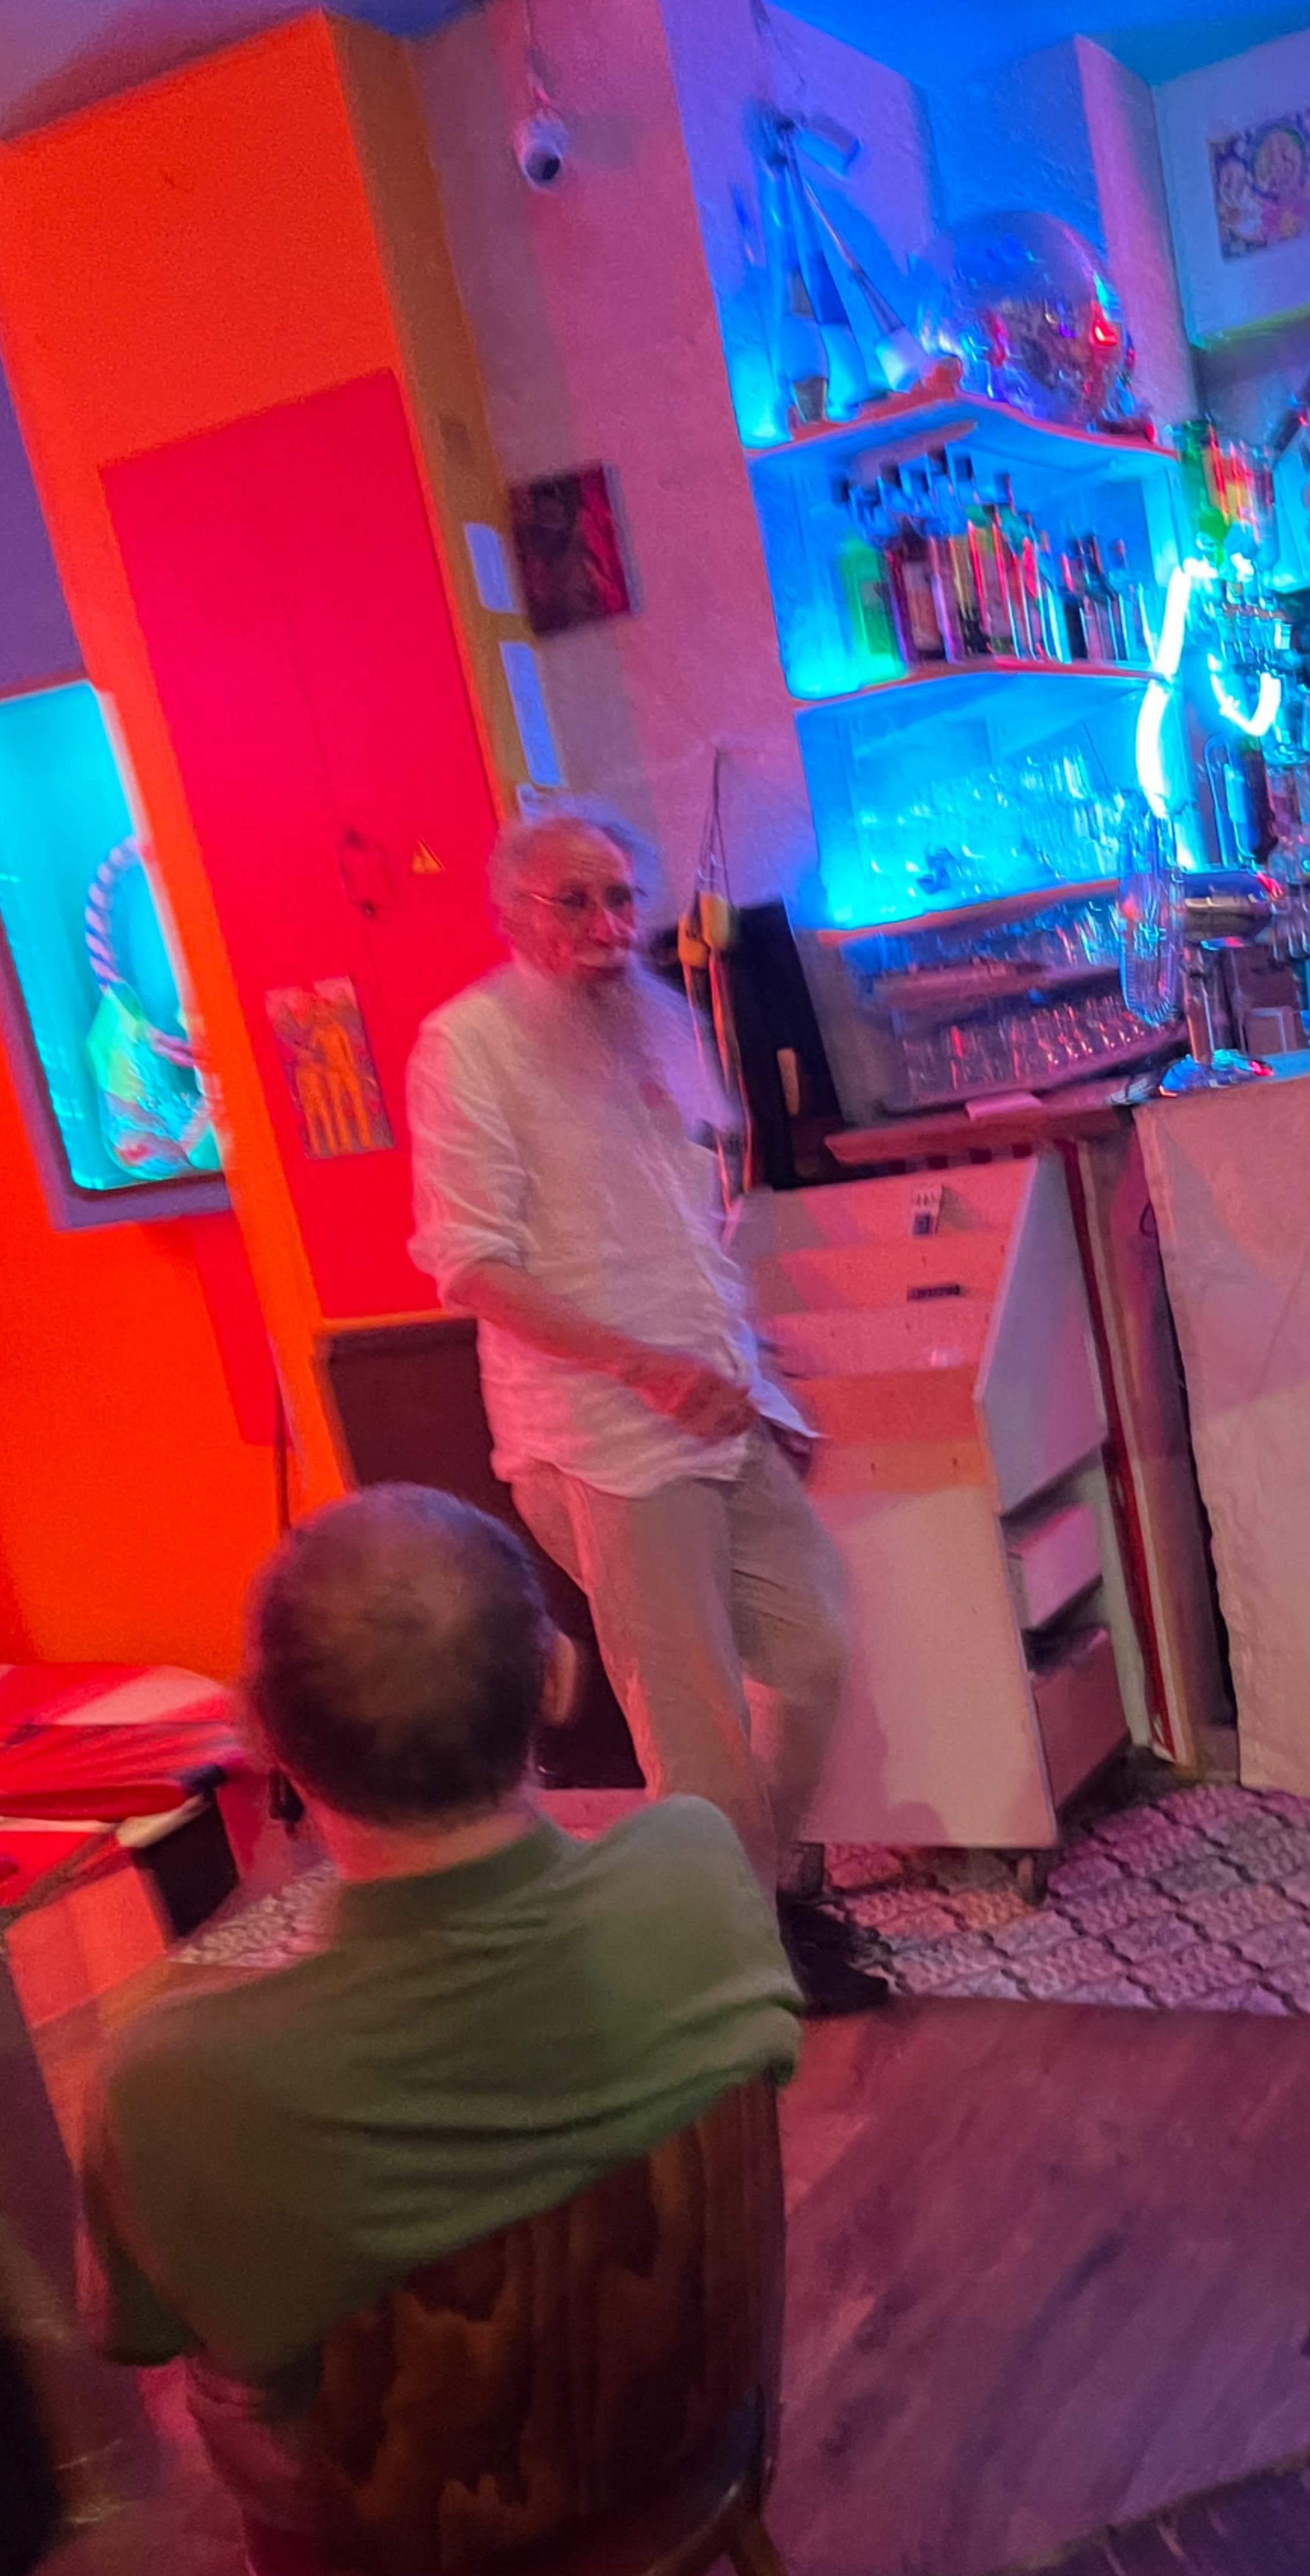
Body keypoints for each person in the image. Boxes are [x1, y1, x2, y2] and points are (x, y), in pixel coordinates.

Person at [83, 1486, 802, 2462]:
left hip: (405, 2537)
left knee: (222, 2389)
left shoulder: (164, 2079)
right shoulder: (696, 1866)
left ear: (255, 1730)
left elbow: (133, 2331)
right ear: (557, 1676)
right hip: (694, 2432)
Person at [406, 807, 885, 2013]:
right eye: (576, 902)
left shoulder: (656, 1023)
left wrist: (755, 1381)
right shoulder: (466, 1047)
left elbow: (682, 1241)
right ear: (511, 912)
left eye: (622, 898)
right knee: (697, 1732)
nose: (610, 928)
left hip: (716, 1416)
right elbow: (468, 1266)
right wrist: (642, 1367)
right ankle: (738, 1960)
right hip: (604, 1440)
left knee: (816, 1649)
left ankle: (752, 1902)